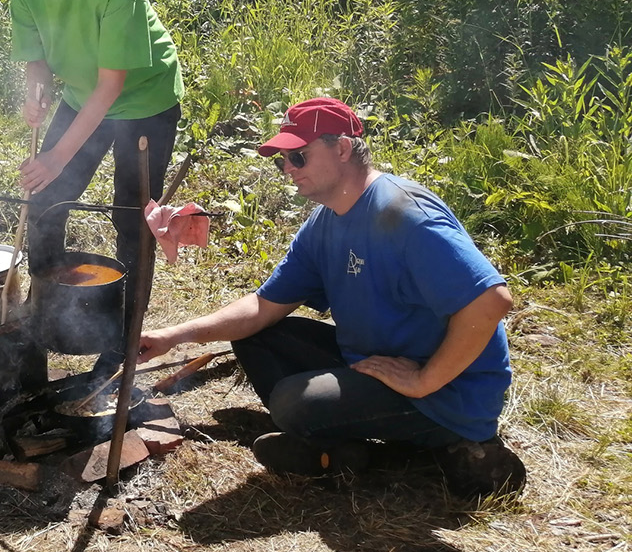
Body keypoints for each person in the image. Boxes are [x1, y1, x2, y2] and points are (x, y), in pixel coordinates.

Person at [138, 97, 525, 497]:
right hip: (374, 362)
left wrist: (424, 380)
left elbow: (491, 301)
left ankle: (444, 444)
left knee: (292, 403)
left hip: (447, 394)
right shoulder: (325, 222)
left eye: (298, 156)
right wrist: (172, 336)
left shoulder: (404, 214)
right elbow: (262, 308)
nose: (288, 169)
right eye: (281, 160)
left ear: (341, 148)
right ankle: (342, 448)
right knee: (258, 336)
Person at [8, 0, 184, 350]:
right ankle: (46, 302)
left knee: (131, 216)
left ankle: (127, 326)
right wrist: (36, 92)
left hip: (144, 101)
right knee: (45, 199)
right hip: (84, 95)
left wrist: (57, 157)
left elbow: (113, 85)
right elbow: (36, 58)